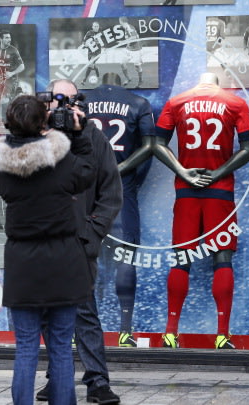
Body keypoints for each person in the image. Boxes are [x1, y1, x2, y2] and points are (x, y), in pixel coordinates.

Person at [0, 94, 96, 405]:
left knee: (25, 346)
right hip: (63, 259)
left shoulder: (0, 168)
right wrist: (78, 136)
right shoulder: (62, 160)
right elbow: (88, 174)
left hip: (22, 262)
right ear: (43, 124)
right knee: (61, 346)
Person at [35, 79, 123, 404]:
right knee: (47, 313)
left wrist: (92, 232)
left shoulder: (94, 138)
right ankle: (56, 377)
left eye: (70, 101)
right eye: (58, 102)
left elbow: (111, 191)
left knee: (84, 313)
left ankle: (97, 382)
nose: (63, 108)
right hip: (43, 241)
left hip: (79, 240)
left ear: (80, 103)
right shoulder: (37, 136)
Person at [153, 72, 249, 349]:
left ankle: (170, 333)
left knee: (181, 258)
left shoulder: (177, 102)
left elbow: (156, 144)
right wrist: (218, 172)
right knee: (222, 258)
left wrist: (183, 172)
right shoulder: (235, 103)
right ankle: (223, 335)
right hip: (220, 190)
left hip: (186, 190)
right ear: (218, 83)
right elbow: (248, 150)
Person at [84, 72, 155, 348]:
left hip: (87, 186)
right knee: (126, 254)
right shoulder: (138, 102)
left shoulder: (82, 102)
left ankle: (83, 330)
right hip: (123, 188)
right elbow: (150, 148)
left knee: (84, 255)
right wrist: (122, 171)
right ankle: (126, 330)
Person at [0, 29, 25, 123]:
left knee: (4, 99)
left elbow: (22, 66)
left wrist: (12, 73)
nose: (9, 39)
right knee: (5, 100)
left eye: (9, 37)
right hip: (0, 79)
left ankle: (5, 121)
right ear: (0, 39)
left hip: (11, 79)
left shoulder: (14, 50)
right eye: (6, 38)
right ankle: (17, 96)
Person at [118, 17, 144, 88]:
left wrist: (123, 42)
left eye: (120, 22)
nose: (120, 23)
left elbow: (134, 38)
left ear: (121, 21)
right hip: (128, 49)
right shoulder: (126, 28)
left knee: (137, 66)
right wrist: (125, 42)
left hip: (136, 50)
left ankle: (140, 80)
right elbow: (130, 38)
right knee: (122, 63)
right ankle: (128, 78)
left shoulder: (129, 27)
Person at [79, 22, 103, 88]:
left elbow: (101, 43)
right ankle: (97, 73)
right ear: (92, 27)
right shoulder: (89, 33)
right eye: (94, 26)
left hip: (97, 52)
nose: (96, 27)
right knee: (92, 65)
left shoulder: (100, 33)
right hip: (90, 52)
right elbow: (84, 41)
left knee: (90, 64)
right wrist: (85, 44)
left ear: (99, 27)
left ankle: (84, 80)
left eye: (97, 26)